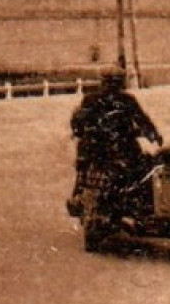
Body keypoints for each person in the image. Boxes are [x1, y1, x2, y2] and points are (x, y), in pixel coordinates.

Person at [68, 69, 161, 220]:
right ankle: (141, 206)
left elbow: (78, 121)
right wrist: (153, 135)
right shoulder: (126, 100)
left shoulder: (91, 99)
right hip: (119, 148)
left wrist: (80, 132)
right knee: (144, 167)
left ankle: (78, 196)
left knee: (83, 169)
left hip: (96, 149)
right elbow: (142, 120)